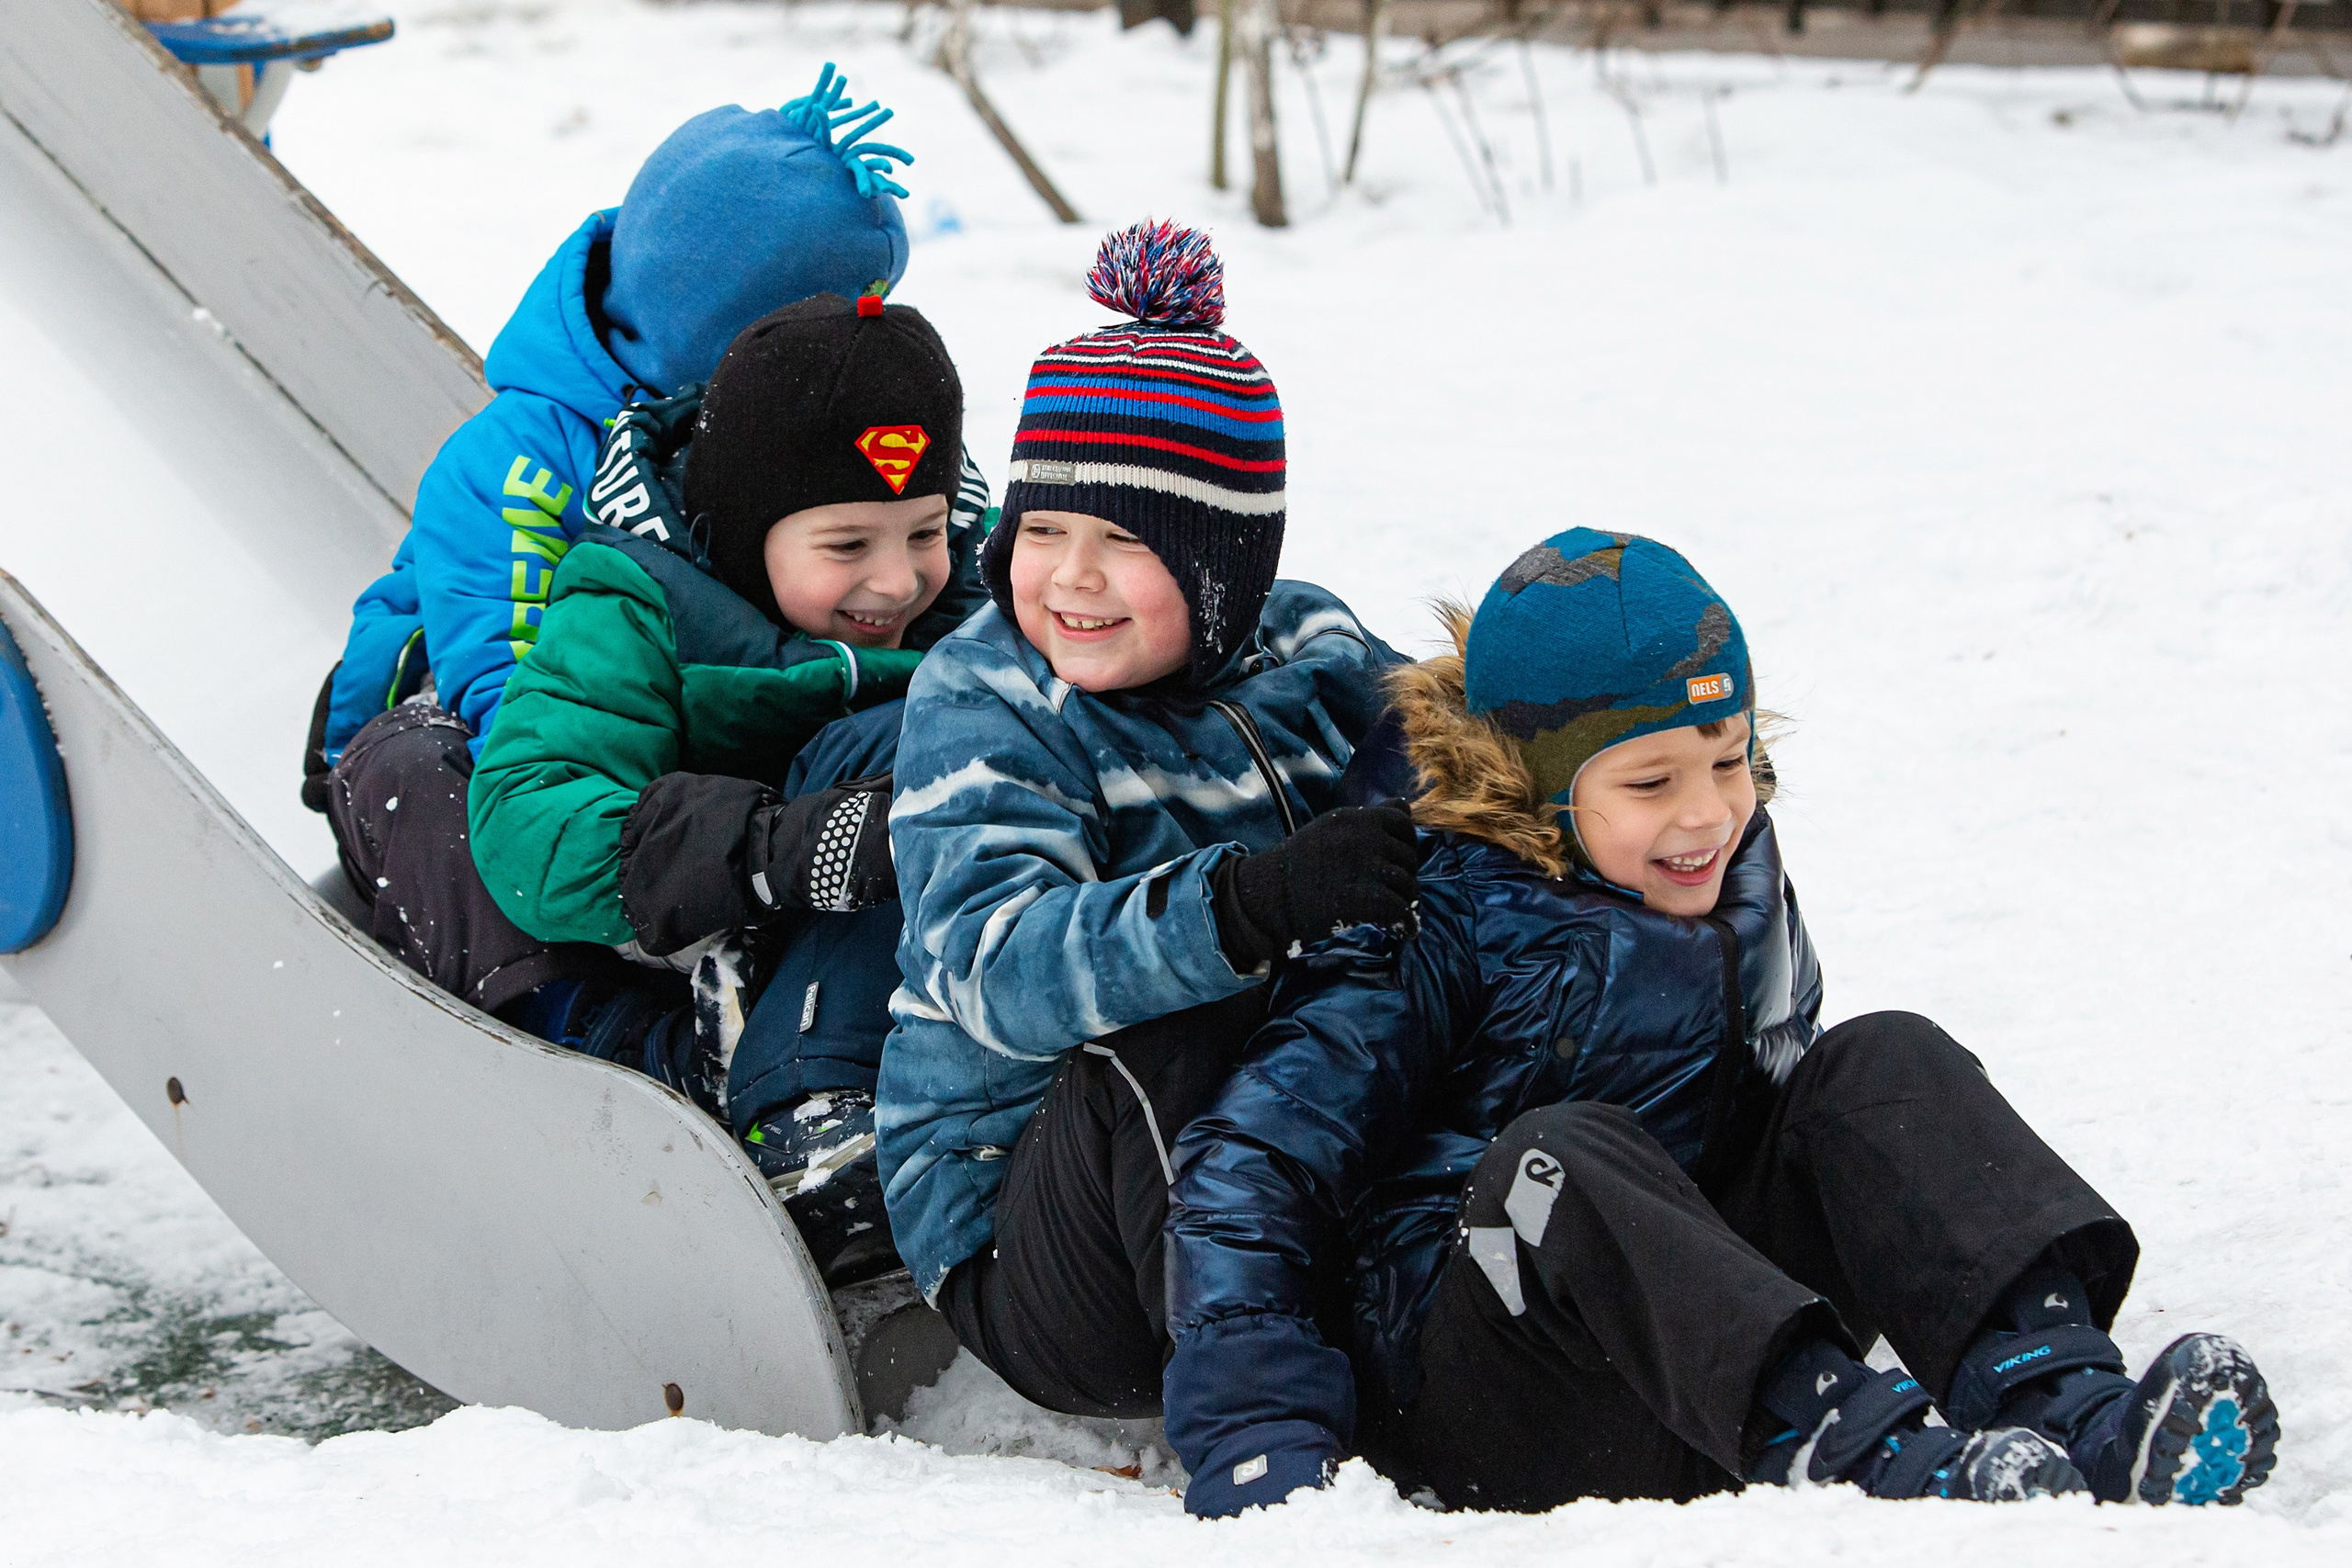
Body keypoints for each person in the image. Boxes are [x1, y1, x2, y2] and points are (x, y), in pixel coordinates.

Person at [1161, 530, 2280, 1517]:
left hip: (1703, 1357)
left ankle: (2067, 1399)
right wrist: (1261, 1439)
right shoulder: (1429, 909)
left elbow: (1801, 1130)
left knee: (1881, 1060)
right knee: (1560, 1153)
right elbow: (1251, 1167)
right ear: (1532, 786)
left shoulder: (1726, 867)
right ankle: (1872, 1454)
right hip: (1494, 1391)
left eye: (1727, 759)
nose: (1704, 813)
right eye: (1648, 783)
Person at [300, 65, 991, 1027]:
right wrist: (654, 850)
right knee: (435, 780)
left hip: (663, 745)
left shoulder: (812, 453)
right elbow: (515, 697)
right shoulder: (524, 461)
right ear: (722, 324)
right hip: (477, 744)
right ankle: (576, 1019)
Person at [876, 220, 1419, 1414]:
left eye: (1125, 540)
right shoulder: (988, 701)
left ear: (1224, 564)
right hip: (1034, 1229)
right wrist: (1249, 905)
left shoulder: (1310, 646)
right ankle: (1269, 1394)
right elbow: (994, 967)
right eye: (1045, 529)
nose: (1070, 574)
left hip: (1272, 1151)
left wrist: (1604, 761)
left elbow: (1451, 766)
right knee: (1175, 1026)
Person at [466, 292, 984, 1284]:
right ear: (745, 532)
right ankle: (806, 1110)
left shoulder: (979, 594)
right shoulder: (637, 606)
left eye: (925, 533)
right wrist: (758, 851)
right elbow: (526, 813)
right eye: (847, 546)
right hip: (712, 934)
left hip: (921, 944)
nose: (899, 581)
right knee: (896, 746)